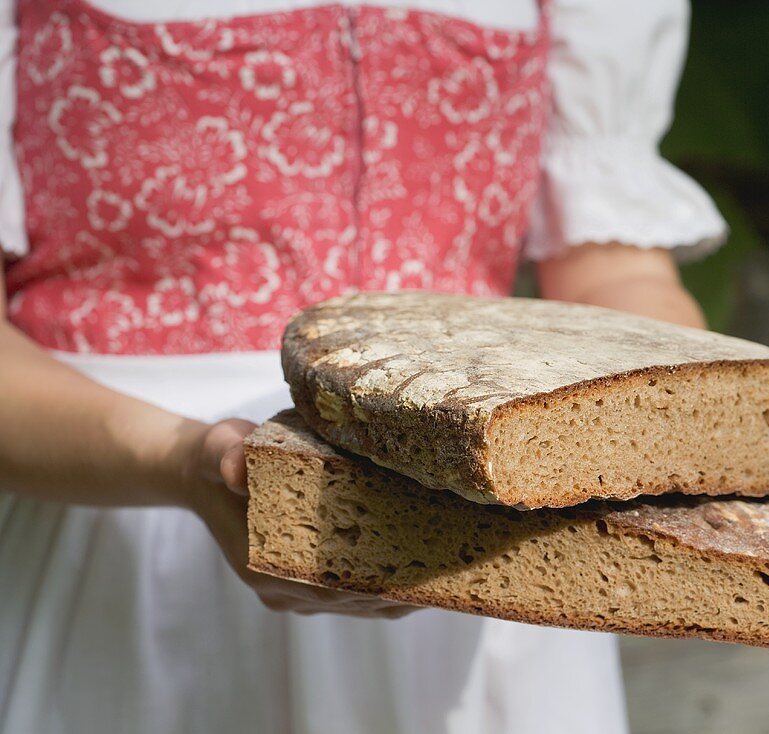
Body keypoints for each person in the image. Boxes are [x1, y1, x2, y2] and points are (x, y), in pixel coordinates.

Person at [0, 0, 727, 731]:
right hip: (129, 551)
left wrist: (674, 417)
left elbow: (612, 277)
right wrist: (181, 461)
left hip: (475, 559)